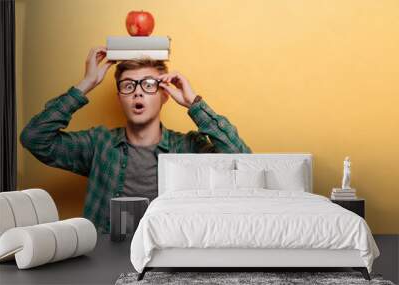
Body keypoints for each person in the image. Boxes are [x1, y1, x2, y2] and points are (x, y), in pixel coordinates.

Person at [20, 46, 252, 233]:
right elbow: (34, 138)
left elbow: (244, 164)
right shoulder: (98, 144)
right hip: (106, 258)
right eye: (129, 86)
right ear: (120, 96)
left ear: (165, 95)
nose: (138, 92)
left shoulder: (187, 148)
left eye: (149, 85)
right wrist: (86, 84)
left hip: (167, 259)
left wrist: (195, 104)